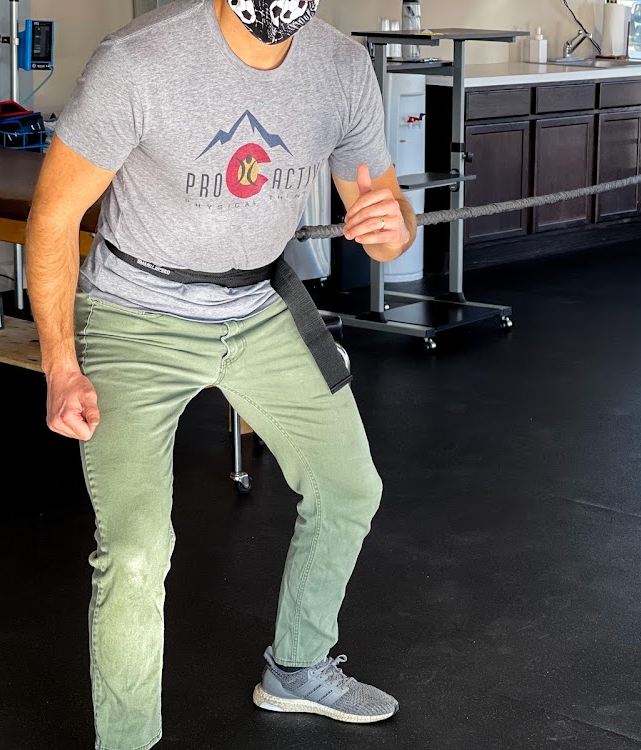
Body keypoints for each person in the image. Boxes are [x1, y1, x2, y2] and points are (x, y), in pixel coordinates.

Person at [25, 1, 415, 748]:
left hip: (260, 302)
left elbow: (384, 214)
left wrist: (394, 229)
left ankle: (297, 668)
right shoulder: (138, 60)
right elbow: (53, 215)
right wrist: (60, 363)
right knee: (135, 550)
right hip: (136, 312)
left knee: (348, 487)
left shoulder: (341, 67)